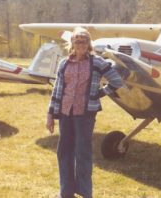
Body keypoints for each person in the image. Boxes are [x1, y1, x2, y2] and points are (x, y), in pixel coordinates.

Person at [46, 26, 124, 198]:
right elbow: (57, 90)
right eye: (77, 41)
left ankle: (85, 192)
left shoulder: (96, 62)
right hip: (65, 113)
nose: (80, 44)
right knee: (64, 152)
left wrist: (99, 94)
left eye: (84, 41)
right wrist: (50, 114)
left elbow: (117, 80)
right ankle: (66, 192)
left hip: (85, 116)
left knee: (83, 153)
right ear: (72, 43)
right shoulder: (64, 63)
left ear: (89, 44)